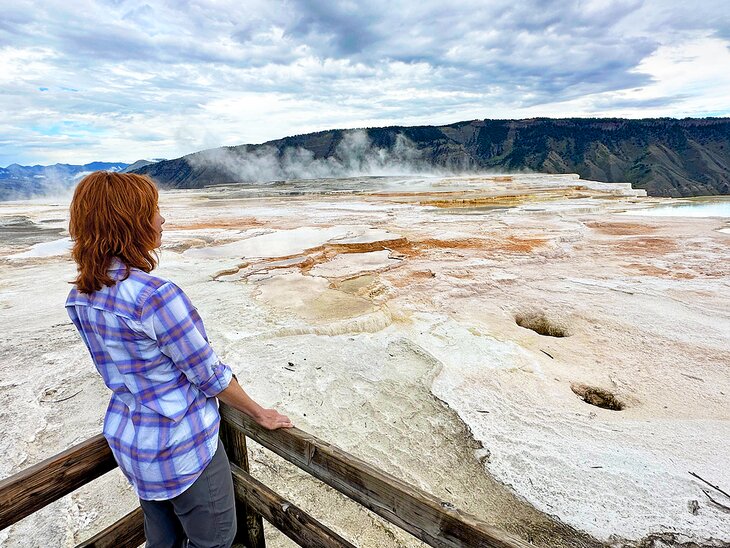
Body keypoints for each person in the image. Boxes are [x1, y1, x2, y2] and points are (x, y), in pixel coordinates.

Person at [65, 171, 292, 548]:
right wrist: (258, 412)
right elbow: (209, 375)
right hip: (180, 446)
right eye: (153, 210)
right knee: (216, 540)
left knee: (163, 540)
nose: (162, 219)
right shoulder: (154, 296)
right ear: (130, 222)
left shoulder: (81, 295)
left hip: (134, 445)